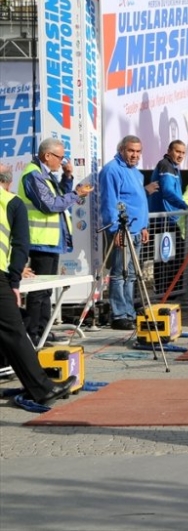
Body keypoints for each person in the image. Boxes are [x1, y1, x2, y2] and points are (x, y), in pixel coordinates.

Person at [0, 164, 77, 406]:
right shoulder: (11, 202)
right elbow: (21, 246)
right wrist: (14, 281)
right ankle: (42, 389)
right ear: (8, 183)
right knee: (14, 333)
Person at [17, 138, 93, 346]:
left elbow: (59, 196)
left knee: (47, 290)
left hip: (50, 240)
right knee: (38, 291)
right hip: (39, 240)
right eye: (60, 157)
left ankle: (44, 330)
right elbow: (49, 205)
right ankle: (33, 333)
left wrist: (68, 178)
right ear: (47, 156)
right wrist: (76, 194)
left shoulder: (44, 175)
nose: (62, 161)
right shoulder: (32, 175)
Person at [98, 135, 150, 330]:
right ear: (122, 150)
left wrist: (144, 226)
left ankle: (128, 311)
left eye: (138, 151)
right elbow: (109, 203)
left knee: (131, 274)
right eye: (131, 151)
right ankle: (119, 314)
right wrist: (114, 229)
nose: (135, 155)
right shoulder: (112, 170)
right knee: (120, 273)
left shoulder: (136, 172)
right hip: (123, 230)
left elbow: (140, 202)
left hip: (137, 230)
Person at [148, 140, 188, 300]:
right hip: (162, 220)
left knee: (173, 258)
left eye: (183, 152)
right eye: (177, 151)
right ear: (169, 151)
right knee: (163, 260)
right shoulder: (165, 165)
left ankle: (170, 294)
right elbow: (168, 191)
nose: (180, 155)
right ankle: (163, 295)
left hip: (171, 219)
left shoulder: (173, 167)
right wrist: (185, 206)